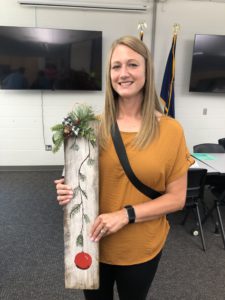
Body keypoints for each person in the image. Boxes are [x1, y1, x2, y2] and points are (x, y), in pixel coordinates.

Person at [55, 35, 194, 300]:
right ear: (109, 74)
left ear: (146, 70)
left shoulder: (171, 130)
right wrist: (66, 190)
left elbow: (177, 199)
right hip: (92, 243)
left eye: (133, 64)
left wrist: (125, 214)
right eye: (116, 66)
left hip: (141, 247)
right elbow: (79, 182)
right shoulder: (88, 127)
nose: (124, 73)